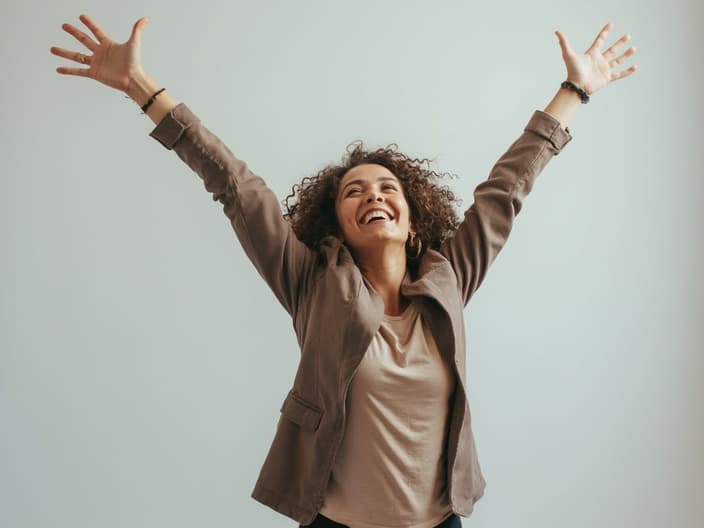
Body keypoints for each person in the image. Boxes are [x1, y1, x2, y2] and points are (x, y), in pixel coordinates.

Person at [50, 14, 637, 528]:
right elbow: (236, 186)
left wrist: (574, 90)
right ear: (338, 222)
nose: (373, 195)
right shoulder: (311, 283)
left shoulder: (450, 276)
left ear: (412, 221)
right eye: (354, 191)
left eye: (388, 188)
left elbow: (506, 189)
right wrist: (140, 86)